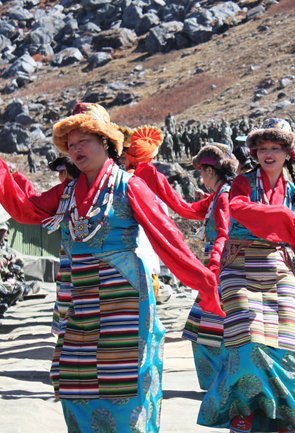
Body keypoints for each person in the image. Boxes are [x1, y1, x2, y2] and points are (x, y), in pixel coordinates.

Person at [0, 102, 223, 433]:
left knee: (125, 385)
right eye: (71, 145)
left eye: (84, 142)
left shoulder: (129, 186)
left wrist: (207, 285)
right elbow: (25, 209)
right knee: (79, 384)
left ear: (106, 142)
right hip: (80, 301)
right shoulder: (67, 191)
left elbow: (170, 240)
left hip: (124, 300)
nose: (76, 150)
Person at [197, 118, 295, 433]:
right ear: (254, 152)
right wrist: (281, 217)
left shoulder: (292, 188)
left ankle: (280, 411)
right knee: (247, 338)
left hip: (278, 263)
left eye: (276, 148)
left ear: (286, 152)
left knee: (286, 342)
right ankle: (244, 408)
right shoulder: (244, 182)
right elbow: (237, 207)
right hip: (239, 263)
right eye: (263, 148)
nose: (269, 154)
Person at [182, 144, 237, 391]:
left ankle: (220, 383)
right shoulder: (217, 196)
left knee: (209, 331)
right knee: (205, 330)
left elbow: (224, 233)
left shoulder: (223, 196)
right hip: (216, 267)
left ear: (211, 171)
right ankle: (220, 383)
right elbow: (191, 211)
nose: (201, 178)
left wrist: (214, 267)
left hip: (220, 269)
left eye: (202, 172)